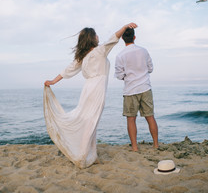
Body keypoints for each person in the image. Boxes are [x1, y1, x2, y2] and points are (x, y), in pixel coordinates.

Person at [44, 23, 138, 168]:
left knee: (90, 121)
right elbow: (114, 38)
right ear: (92, 38)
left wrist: (53, 81)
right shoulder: (100, 51)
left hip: (88, 88)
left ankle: (91, 155)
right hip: (97, 89)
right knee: (91, 122)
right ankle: (83, 155)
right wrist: (125, 27)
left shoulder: (84, 56)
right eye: (95, 35)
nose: (98, 36)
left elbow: (67, 70)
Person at [114, 27, 159, 151]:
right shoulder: (143, 51)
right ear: (134, 37)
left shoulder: (120, 55)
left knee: (131, 119)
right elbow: (150, 69)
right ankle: (156, 144)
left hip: (130, 90)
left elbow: (119, 75)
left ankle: (134, 147)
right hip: (145, 87)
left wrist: (128, 77)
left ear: (123, 38)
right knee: (150, 117)